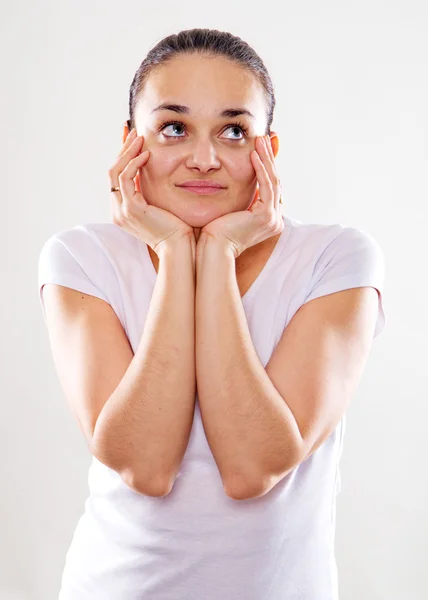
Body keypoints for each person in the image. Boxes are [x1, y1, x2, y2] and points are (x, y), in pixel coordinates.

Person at [37, 27, 386, 600]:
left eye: (233, 131)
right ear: (131, 144)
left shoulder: (336, 258)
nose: (204, 159)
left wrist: (219, 251)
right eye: (174, 128)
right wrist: (178, 252)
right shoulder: (81, 257)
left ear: (267, 151)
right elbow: (144, 466)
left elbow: (254, 468)